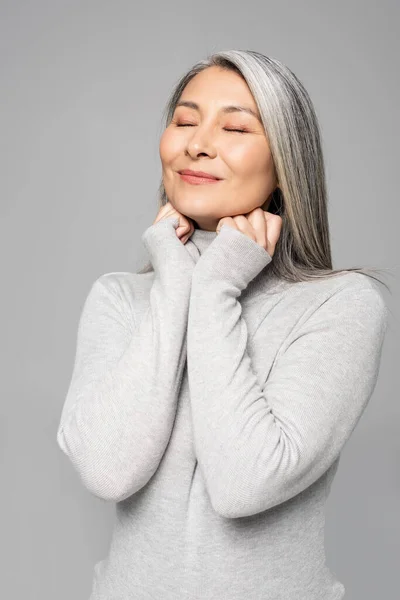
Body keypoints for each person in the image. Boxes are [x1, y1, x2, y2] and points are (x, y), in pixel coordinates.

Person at [56, 50, 389, 599]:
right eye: (184, 121)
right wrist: (176, 283)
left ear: (287, 162)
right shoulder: (119, 298)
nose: (197, 143)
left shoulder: (342, 304)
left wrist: (216, 286)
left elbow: (244, 483)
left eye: (234, 126)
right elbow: (107, 470)